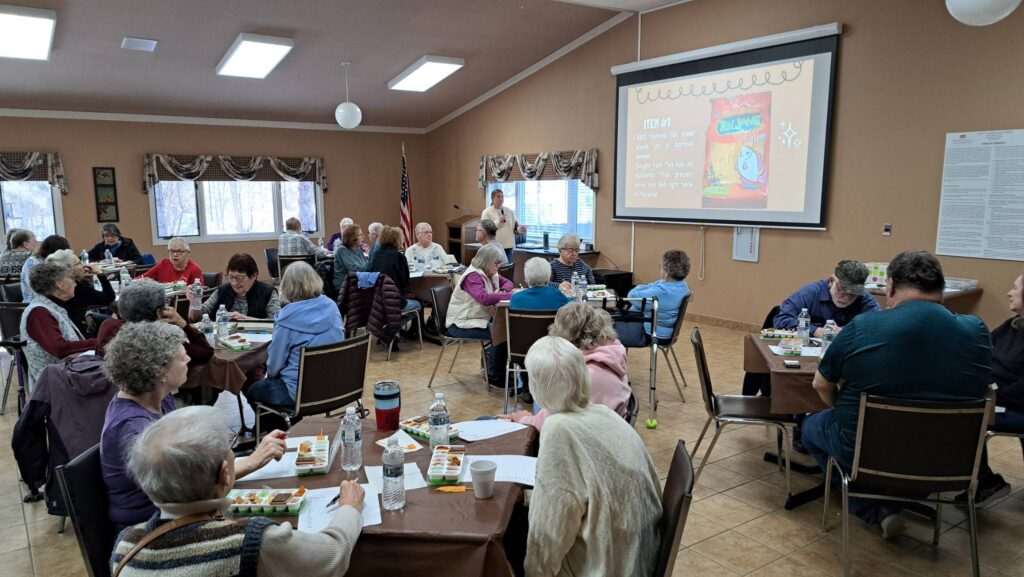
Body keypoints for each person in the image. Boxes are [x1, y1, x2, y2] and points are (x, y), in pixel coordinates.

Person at [802, 251, 991, 538]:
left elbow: (820, 385)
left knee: (810, 428)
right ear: (940, 288)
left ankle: (871, 506)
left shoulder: (863, 327)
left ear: (889, 286)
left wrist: (841, 410)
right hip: (950, 461)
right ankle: (891, 494)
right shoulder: (977, 331)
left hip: (867, 453)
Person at [110, 406, 364, 576]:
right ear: (225, 474)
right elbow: (332, 556)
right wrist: (349, 509)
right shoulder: (251, 541)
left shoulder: (125, 544)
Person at [100, 322, 287, 530]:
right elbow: (192, 485)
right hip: (151, 528)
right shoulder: (134, 429)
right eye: (182, 357)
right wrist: (253, 461)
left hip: (174, 511)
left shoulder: (158, 398)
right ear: (160, 372)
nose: (189, 359)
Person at [523, 336, 660, 576]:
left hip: (606, 565)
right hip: (639, 555)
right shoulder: (604, 414)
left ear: (536, 387)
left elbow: (550, 530)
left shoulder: (558, 428)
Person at [501, 303, 630, 430]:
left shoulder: (584, 374)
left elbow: (553, 425)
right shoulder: (611, 353)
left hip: (584, 438)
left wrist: (522, 419)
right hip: (602, 429)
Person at [246, 262, 345, 421]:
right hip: (336, 386)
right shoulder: (331, 306)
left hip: (299, 394)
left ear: (286, 287)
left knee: (254, 390)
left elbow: (274, 366)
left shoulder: (286, 318)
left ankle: (279, 433)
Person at [964, 272, 1024, 504]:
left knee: (970, 416)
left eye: (1015, 288)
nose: (1009, 292)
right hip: (996, 398)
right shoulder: (1011, 326)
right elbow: (982, 355)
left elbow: (1020, 391)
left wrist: (991, 393)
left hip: (1014, 408)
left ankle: (986, 482)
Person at [96, 278, 213, 369]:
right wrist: (184, 324)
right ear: (158, 312)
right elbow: (205, 352)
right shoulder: (160, 338)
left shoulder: (108, 325)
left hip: (109, 394)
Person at [20, 262, 98, 392]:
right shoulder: (39, 312)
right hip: (55, 386)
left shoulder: (51, 306)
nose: (75, 284)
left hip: (68, 375)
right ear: (59, 284)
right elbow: (60, 349)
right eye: (71, 279)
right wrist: (100, 342)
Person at [446, 243, 513, 388]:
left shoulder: (490, 272)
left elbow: (508, 283)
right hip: (461, 323)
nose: (498, 267)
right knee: (500, 332)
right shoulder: (472, 276)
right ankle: (495, 376)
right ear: (486, 261)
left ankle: (496, 370)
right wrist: (508, 296)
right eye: (496, 263)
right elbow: (483, 298)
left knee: (505, 329)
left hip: (477, 319)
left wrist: (502, 291)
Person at [774, 260, 881, 337]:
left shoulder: (865, 300)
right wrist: (815, 330)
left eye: (854, 293)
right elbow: (781, 320)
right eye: (842, 290)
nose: (847, 298)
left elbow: (877, 328)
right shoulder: (809, 293)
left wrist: (846, 332)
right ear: (831, 281)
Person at [614, 249, 691, 348]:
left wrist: (638, 287)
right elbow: (652, 285)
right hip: (665, 332)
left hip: (651, 333)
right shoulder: (682, 286)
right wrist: (648, 287)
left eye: (661, 267)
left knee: (606, 329)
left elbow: (632, 296)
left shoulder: (662, 291)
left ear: (666, 273)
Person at [187, 253, 280, 322]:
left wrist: (246, 319)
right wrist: (195, 302)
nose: (234, 283)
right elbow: (196, 319)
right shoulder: (222, 290)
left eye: (239, 278)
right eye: (231, 277)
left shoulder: (267, 292)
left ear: (254, 276)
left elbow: (277, 322)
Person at [46, 249, 115, 337]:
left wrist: (87, 313)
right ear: (69, 270)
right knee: (113, 324)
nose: (83, 265)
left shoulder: (51, 285)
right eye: (79, 263)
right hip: (75, 331)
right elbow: (109, 297)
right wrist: (100, 273)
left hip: (77, 321)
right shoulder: (77, 287)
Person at [366, 225, 419, 312]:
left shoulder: (375, 255)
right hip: (394, 300)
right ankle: (411, 325)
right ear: (398, 239)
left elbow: (368, 273)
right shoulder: (399, 256)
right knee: (418, 302)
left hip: (376, 300)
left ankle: (390, 323)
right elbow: (404, 283)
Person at [20, 234, 70, 303]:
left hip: (53, 300)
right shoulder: (32, 263)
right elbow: (38, 290)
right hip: (35, 303)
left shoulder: (55, 261)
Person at [481, 189, 524, 262]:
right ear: (492, 198)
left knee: (506, 270)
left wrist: (521, 229)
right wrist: (499, 221)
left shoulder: (510, 211)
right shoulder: (487, 212)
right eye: (498, 197)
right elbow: (486, 229)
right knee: (495, 270)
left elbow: (515, 229)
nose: (501, 199)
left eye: (502, 197)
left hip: (508, 246)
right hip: (494, 247)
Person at [332, 223, 368, 289]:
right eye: (360, 235)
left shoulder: (358, 249)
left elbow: (365, 264)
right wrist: (372, 264)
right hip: (344, 285)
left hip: (356, 282)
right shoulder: (342, 250)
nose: (363, 237)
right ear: (352, 237)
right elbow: (354, 269)